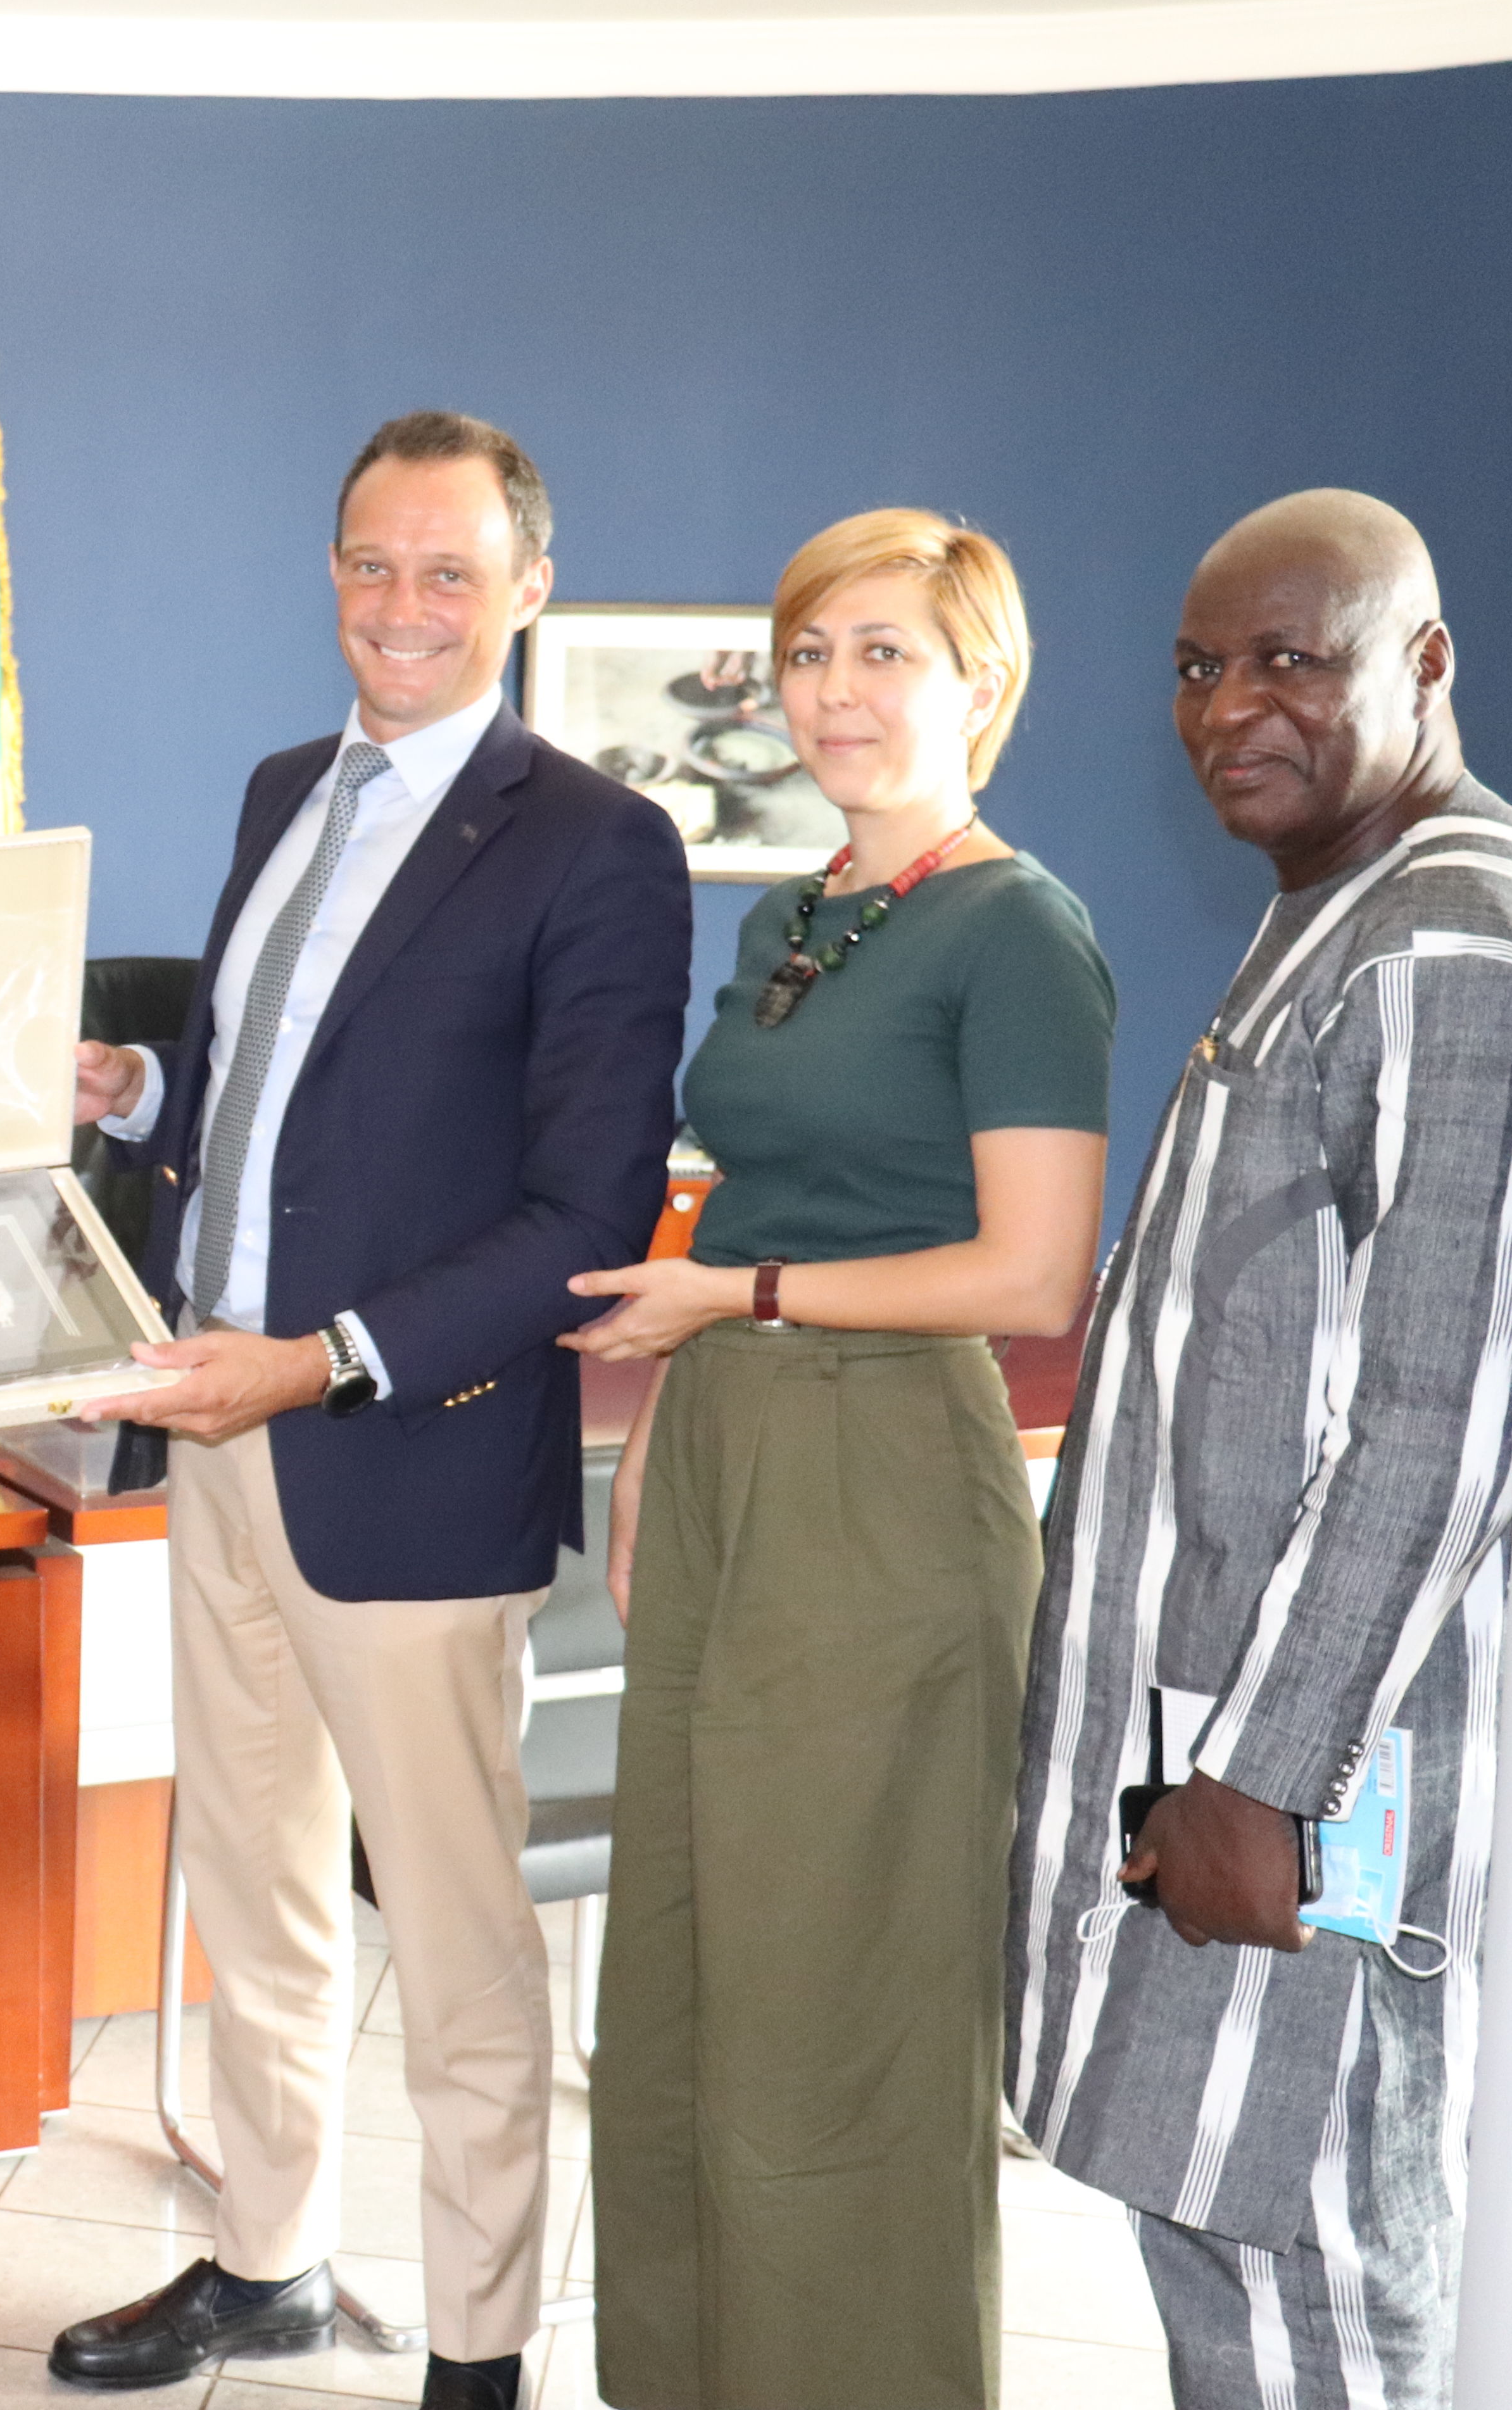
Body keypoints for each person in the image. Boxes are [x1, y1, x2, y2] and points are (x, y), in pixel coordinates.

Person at [50, 412, 691, 2408]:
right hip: (220, 1439)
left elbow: (582, 1213)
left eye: (444, 570)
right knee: (255, 1894)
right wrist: (144, 1102)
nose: (397, 605)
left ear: (526, 588)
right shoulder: (281, 792)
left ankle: (481, 2350)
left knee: (461, 1945)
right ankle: (266, 2262)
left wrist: (324, 1358)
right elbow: (292, 1107)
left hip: (398, 1458)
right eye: (367, 563)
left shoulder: (597, 842)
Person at [564, 510, 1113, 2410]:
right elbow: (738, 1213)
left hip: (884, 1483)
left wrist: (737, 1305)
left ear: (985, 682)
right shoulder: (801, 912)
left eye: (888, 654)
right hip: (729, 1448)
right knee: (695, 1984)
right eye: (812, 654)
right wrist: (655, 1437)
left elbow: (1032, 1268)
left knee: (840, 2009)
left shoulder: (1015, 927)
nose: (839, 692)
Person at [1006, 491, 1512, 2410]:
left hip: (1312, 1801)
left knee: (1319, 2291)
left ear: (1426, 664)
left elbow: (1442, 1418)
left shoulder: (1457, 944)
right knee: (1220, 2267)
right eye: (1198, 666)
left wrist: (1267, 1780)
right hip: (1217, 1760)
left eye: (1291, 657)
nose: (1232, 703)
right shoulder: (1336, 913)